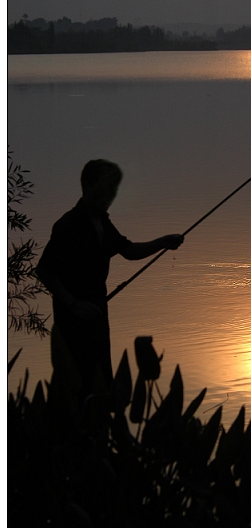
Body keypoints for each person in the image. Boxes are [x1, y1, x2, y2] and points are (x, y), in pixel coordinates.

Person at [36, 159, 184, 398]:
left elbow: (128, 251)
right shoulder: (68, 225)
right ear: (89, 186)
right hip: (73, 321)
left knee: (101, 382)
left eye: (114, 188)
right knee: (76, 386)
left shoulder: (102, 221)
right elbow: (44, 271)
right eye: (107, 187)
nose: (112, 193)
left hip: (98, 315)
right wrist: (73, 304)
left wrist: (162, 243)